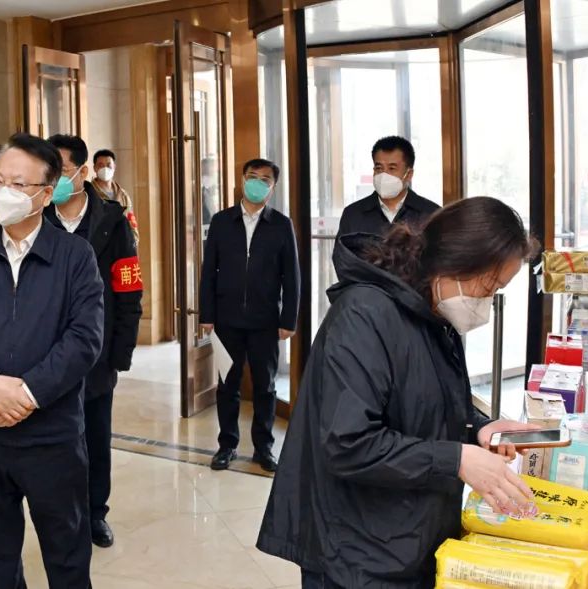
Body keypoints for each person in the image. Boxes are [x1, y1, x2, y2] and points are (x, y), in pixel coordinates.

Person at [257, 197, 541, 588]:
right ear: (455, 263)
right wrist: (456, 460)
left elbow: (425, 402)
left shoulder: (432, 313)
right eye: (489, 288)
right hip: (356, 551)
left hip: (407, 535)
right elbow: (348, 443)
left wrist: (478, 428)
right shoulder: (363, 315)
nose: (486, 304)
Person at [0, 132, 104, 589]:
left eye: (19, 184)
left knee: (66, 552)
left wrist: (27, 394)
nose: (4, 192)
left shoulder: (75, 256)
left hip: (52, 435)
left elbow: (84, 339)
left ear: (46, 194)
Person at [47, 135, 143, 548]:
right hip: (48, 354)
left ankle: (95, 513)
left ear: (83, 172)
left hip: (98, 352)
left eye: (62, 171)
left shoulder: (113, 221)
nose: (53, 180)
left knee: (95, 436)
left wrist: (121, 351)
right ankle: (60, 514)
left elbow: (129, 287)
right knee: (55, 439)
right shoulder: (38, 218)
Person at [199, 158, 299, 473]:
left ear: (272, 187)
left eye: (264, 179)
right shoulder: (221, 221)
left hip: (265, 322)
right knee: (227, 385)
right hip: (226, 320)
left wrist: (288, 320)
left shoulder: (281, 225)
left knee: (265, 387)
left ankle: (263, 448)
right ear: (242, 179)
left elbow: (292, 277)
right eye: (251, 176)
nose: (256, 183)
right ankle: (227, 445)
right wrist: (207, 314)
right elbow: (208, 272)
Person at [336, 135, 440, 239]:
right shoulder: (353, 215)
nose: (384, 175)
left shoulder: (432, 215)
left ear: (409, 174)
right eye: (379, 168)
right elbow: (341, 250)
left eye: (392, 168)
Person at [91, 149, 139, 245]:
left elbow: (131, 221)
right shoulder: (89, 193)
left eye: (109, 165)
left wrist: (133, 242)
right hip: (98, 249)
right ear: (95, 168)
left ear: (114, 167)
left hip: (120, 247)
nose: (105, 169)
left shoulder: (123, 195)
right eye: (101, 165)